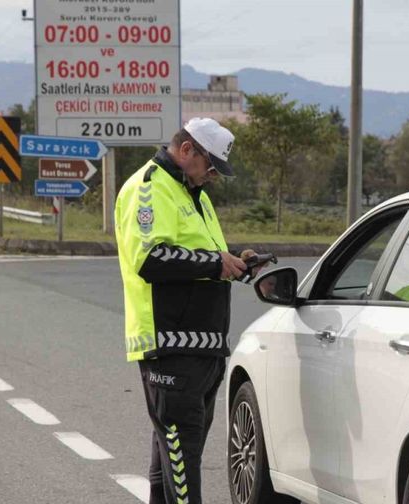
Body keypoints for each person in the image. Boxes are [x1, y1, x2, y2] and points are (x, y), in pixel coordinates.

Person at [115, 117, 261, 504]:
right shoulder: (149, 188)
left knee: (169, 471)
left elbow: (202, 258)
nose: (213, 176)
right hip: (170, 346)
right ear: (186, 151)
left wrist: (236, 263)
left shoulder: (194, 195)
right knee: (184, 472)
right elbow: (149, 257)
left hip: (203, 349)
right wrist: (215, 262)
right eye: (210, 166)